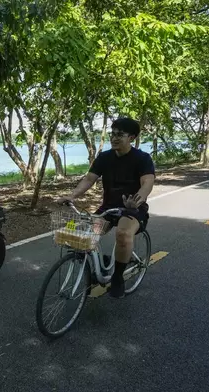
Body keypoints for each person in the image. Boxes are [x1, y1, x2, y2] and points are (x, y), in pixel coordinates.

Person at [57, 117, 155, 298]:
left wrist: (137, 200)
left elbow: (147, 183)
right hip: (108, 209)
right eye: (113, 133)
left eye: (120, 134)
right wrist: (72, 196)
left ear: (132, 138)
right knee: (87, 233)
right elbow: (88, 179)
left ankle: (117, 277)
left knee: (123, 235)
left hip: (133, 209)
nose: (114, 138)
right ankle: (100, 265)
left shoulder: (142, 158)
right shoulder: (104, 158)